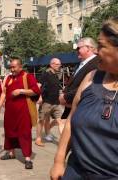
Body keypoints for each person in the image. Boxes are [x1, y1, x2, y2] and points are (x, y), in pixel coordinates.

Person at [51, 17, 118, 180]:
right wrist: (59, 161)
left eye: (101, 46)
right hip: (76, 172)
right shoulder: (90, 77)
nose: (96, 51)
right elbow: (71, 122)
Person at [0, 58, 40, 169]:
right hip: (10, 111)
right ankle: (11, 153)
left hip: (23, 111)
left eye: (14, 67)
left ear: (20, 67)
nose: (12, 69)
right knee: (9, 132)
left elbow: (35, 91)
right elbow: (4, 94)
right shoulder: (8, 78)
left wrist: (21, 91)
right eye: (11, 67)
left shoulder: (27, 77)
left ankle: (27, 158)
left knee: (24, 133)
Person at [59, 37, 99, 119]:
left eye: (78, 48)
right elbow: (72, 83)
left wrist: (66, 97)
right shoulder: (80, 64)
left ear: (88, 48)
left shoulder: (97, 63)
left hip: (83, 112)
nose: (76, 51)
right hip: (72, 110)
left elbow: (88, 86)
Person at [35, 58, 64, 146]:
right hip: (46, 102)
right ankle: (38, 138)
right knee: (42, 120)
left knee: (59, 121)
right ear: (52, 64)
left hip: (56, 102)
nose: (59, 66)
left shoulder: (55, 74)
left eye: (59, 64)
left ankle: (63, 142)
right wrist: (39, 97)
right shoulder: (45, 74)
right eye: (57, 64)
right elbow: (38, 86)